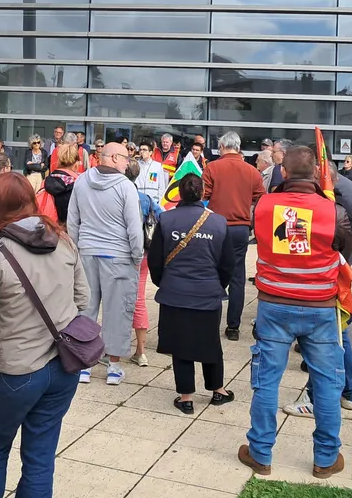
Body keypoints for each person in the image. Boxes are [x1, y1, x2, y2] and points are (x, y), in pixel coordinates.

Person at [0, 172, 89, 498]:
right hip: (63, 366)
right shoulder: (64, 242)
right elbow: (83, 298)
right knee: (40, 458)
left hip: (14, 372)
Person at [240, 146, 352, 480]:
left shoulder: (264, 205)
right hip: (320, 306)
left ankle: (260, 453)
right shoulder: (334, 210)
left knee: (266, 381)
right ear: (318, 173)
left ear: (283, 172)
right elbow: (346, 252)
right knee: (328, 384)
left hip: (273, 303)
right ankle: (325, 458)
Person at [148, 173, 236, 414]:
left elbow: (155, 259)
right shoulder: (218, 222)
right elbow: (228, 263)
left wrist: (164, 283)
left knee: (180, 344)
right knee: (210, 340)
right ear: (203, 192)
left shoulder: (166, 219)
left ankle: (186, 396)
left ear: (179, 193)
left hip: (175, 292)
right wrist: (217, 284)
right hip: (207, 292)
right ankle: (218, 389)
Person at [283, 161, 352, 418]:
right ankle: (348, 391)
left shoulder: (332, 205)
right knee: (342, 336)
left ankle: (316, 397)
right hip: (337, 273)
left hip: (326, 279)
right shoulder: (348, 194)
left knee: (327, 343)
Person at [67, 142, 143, 385]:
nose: (128, 163)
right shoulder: (126, 186)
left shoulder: (81, 181)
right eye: (125, 158)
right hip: (119, 256)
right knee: (117, 311)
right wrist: (137, 256)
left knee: (85, 310)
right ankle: (114, 367)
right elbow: (134, 228)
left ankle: (84, 365)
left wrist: (77, 250)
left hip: (87, 252)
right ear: (114, 158)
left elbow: (72, 221)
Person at [201, 132, 264, 341]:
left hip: (216, 227)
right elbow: (261, 197)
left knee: (214, 275)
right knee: (237, 277)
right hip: (240, 228)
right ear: (238, 147)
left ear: (221, 146)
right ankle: (233, 327)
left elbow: (203, 194)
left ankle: (211, 323)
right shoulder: (252, 171)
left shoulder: (212, 168)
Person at [124, 160, 162, 366]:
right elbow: (162, 216)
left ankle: (113, 348)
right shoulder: (145, 198)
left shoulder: (118, 196)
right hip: (144, 254)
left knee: (116, 301)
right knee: (139, 300)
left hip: (122, 254)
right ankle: (140, 351)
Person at [43, 144, 83, 225]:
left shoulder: (47, 181)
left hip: (52, 226)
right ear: (76, 164)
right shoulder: (80, 181)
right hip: (74, 226)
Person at [135, 141, 169, 207]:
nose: (142, 152)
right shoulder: (136, 165)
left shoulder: (157, 166)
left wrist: (160, 202)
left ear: (150, 152)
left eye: (144, 150)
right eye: (140, 150)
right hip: (139, 199)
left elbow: (161, 186)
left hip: (153, 200)